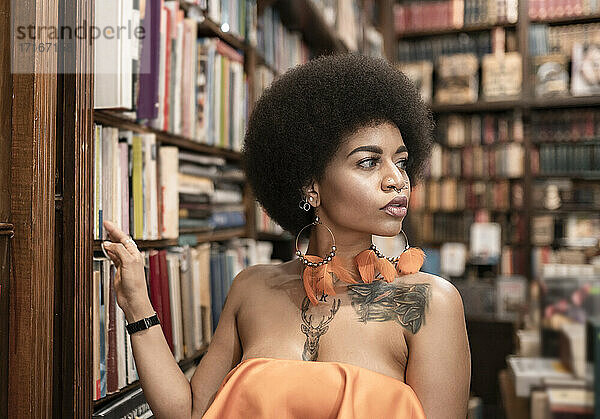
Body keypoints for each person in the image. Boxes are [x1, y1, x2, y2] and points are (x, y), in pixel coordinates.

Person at [101, 52, 471, 419]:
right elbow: (189, 413)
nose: (397, 180)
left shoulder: (429, 302)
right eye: (369, 162)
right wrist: (137, 303)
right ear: (311, 185)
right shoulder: (252, 288)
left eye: (402, 161)